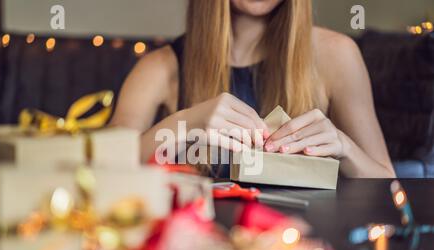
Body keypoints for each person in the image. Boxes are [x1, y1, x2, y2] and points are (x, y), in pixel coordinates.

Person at [111, 0, 395, 178]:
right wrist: (183, 123)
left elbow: (389, 185)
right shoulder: (159, 67)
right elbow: (99, 168)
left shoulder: (337, 54)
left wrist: (344, 147)